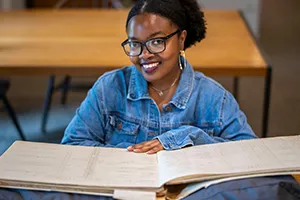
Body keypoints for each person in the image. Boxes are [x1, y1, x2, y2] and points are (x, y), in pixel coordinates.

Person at [61, 0, 257, 154]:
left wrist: (187, 138)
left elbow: (249, 153)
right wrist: (134, 154)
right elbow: (72, 145)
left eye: (156, 41)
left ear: (181, 39)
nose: (145, 54)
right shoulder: (109, 88)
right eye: (135, 44)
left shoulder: (213, 98)